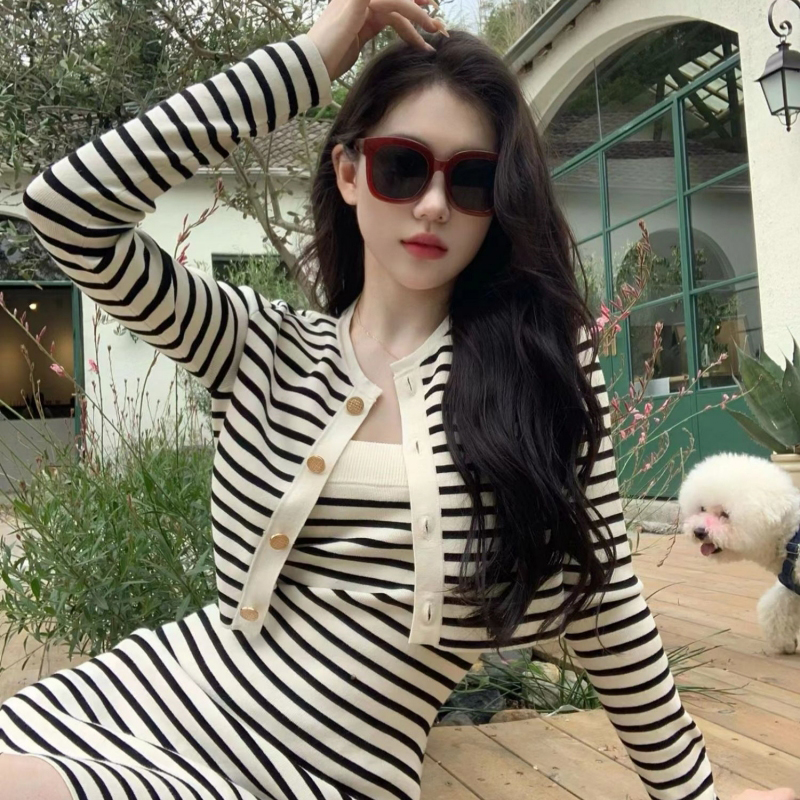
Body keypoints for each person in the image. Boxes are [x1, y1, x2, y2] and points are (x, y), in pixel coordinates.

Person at [0, 0, 795, 798]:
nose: (433, 205)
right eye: (402, 167)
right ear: (349, 173)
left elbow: (607, 606)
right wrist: (312, 56)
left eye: (472, 179)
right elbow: (67, 211)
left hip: (325, 774)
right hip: (144, 700)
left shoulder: (536, 372)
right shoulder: (255, 346)